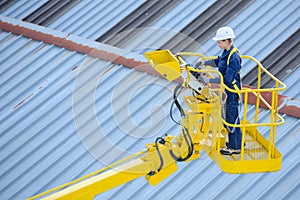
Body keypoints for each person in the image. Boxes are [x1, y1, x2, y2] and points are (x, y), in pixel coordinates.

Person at [196, 27, 242, 155]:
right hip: (227, 91)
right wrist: (205, 62)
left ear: (228, 40)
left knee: (231, 118)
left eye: (220, 41)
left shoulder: (234, 58)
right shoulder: (226, 53)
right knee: (233, 117)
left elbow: (227, 79)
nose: (218, 44)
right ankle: (238, 141)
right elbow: (218, 61)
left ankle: (235, 147)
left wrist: (209, 80)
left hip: (231, 92)